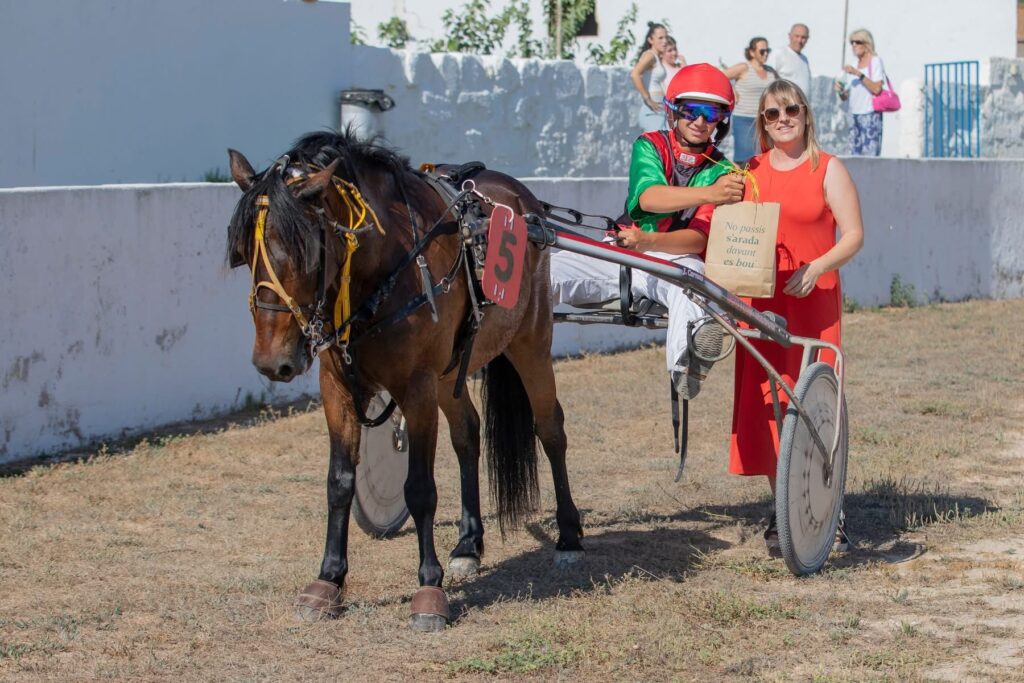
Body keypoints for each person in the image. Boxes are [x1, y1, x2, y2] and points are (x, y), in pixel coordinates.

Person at [551, 64, 746, 398]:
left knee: (694, 282)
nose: (699, 121)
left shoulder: (724, 170)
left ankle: (687, 366)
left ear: (722, 120)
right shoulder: (650, 144)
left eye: (710, 113)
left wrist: (649, 241)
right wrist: (711, 193)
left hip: (676, 259)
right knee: (545, 270)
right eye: (690, 110)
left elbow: (699, 239)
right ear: (672, 112)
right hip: (622, 250)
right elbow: (649, 197)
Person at [729, 79, 864, 553]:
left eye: (790, 109)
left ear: (805, 114)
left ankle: (832, 516)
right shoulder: (750, 172)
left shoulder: (828, 169)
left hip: (813, 300)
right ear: (762, 124)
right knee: (768, 405)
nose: (783, 118)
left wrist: (818, 266)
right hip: (763, 304)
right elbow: (737, 234)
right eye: (771, 113)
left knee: (813, 407)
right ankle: (785, 510)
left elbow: (853, 235)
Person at [723, 37, 778, 165]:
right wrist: (731, 91)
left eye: (768, 50)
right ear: (752, 52)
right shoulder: (744, 68)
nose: (766, 54)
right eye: (762, 51)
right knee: (744, 159)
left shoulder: (770, 71)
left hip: (765, 120)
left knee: (766, 157)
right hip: (744, 119)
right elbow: (720, 76)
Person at [835, 28, 886, 156]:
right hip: (854, 115)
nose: (854, 45)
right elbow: (844, 97)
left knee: (870, 155)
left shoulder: (875, 61)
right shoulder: (854, 64)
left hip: (870, 114)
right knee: (854, 154)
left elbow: (876, 88)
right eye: (852, 42)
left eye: (857, 42)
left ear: (866, 43)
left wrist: (858, 73)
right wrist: (840, 90)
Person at [630, 23, 671, 131]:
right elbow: (635, 74)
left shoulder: (656, 57)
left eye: (666, 37)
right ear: (650, 40)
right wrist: (648, 99)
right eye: (660, 38)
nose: (665, 41)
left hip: (659, 106)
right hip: (653, 107)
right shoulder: (650, 55)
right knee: (658, 143)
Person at [773, 23, 811, 97]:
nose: (799, 40)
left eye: (803, 37)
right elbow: (769, 79)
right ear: (789, 36)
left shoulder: (804, 59)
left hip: (801, 106)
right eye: (796, 36)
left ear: (807, 39)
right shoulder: (779, 53)